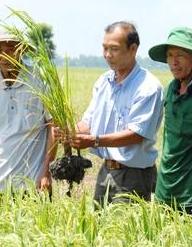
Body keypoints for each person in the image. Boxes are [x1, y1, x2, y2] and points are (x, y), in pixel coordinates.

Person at [63, 21, 164, 205]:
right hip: (106, 170)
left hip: (133, 174)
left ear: (133, 49)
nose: (107, 55)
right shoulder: (104, 82)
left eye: (114, 49)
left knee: (125, 230)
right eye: (105, 48)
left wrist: (93, 141)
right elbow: (88, 124)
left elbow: (136, 134)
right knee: (100, 229)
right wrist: (68, 131)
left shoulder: (148, 87)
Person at [0, 27, 56, 194]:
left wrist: (46, 172)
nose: (4, 56)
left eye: (11, 50)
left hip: (34, 184)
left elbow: (53, 128)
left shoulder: (40, 82)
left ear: (21, 52)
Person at [147, 27, 192, 214]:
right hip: (164, 191)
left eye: (180, 55)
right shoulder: (171, 88)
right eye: (170, 55)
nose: (173, 62)